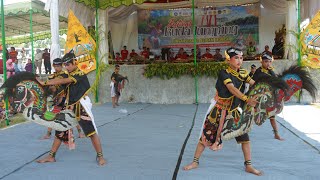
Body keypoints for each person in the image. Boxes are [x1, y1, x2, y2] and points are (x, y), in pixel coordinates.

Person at [183, 47, 262, 176]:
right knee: (205, 137)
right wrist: (247, 99)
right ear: (228, 59)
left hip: (235, 111)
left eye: (241, 58)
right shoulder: (223, 73)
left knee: (245, 138)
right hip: (219, 110)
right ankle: (195, 162)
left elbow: (254, 84)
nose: (239, 60)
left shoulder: (243, 73)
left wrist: (266, 89)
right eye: (236, 58)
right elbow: (231, 88)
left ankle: (249, 166)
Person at [36, 51, 106, 166]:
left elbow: (63, 81)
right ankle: (51, 156)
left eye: (68, 65)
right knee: (60, 130)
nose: (66, 67)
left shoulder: (79, 74)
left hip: (80, 106)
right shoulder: (66, 74)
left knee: (91, 132)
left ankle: (100, 156)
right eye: (65, 65)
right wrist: (44, 85)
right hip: (69, 107)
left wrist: (45, 82)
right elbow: (58, 84)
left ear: (75, 62)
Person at [41, 58, 85, 140]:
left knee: (72, 116)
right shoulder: (52, 76)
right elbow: (50, 87)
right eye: (55, 66)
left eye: (58, 66)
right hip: (56, 99)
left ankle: (80, 132)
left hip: (66, 99)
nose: (56, 68)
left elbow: (58, 83)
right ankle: (48, 134)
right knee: (52, 115)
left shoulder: (65, 74)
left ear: (61, 66)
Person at [252, 53, 284, 141]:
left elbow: (276, 82)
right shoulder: (258, 72)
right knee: (251, 115)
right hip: (259, 97)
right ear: (261, 62)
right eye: (266, 61)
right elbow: (254, 84)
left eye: (270, 61)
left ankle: (276, 134)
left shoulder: (271, 71)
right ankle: (242, 133)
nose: (268, 63)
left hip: (269, 97)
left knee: (272, 116)